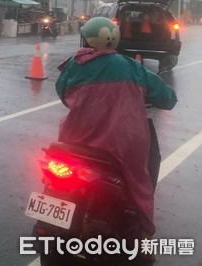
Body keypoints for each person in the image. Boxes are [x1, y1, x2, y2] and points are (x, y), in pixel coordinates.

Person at [55, 17, 176, 239]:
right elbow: (166, 97)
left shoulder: (74, 64)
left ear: (87, 40)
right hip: (121, 143)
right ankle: (144, 233)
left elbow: (62, 93)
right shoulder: (132, 67)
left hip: (74, 139)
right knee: (140, 183)